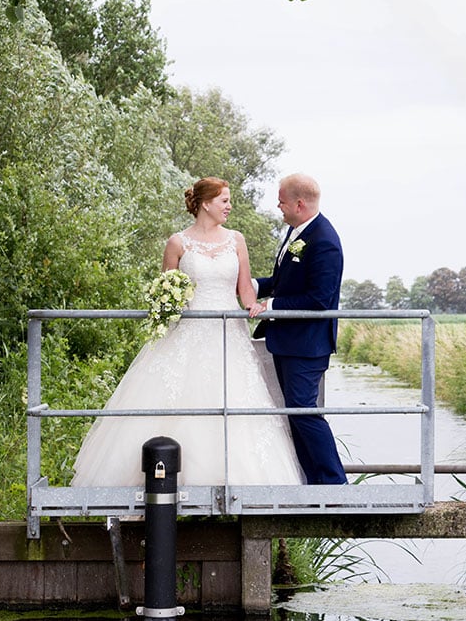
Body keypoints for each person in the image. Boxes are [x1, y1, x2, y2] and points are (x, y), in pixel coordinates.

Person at [71, 177, 302, 487]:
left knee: (232, 402)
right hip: (188, 332)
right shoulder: (177, 243)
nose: (229, 206)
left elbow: (244, 288)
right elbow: (166, 291)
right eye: (224, 201)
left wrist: (255, 306)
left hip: (226, 334)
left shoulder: (236, 240)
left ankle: (236, 484)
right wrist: (167, 301)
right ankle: (160, 483)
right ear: (206, 203)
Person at [250, 173, 348, 485]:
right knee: (296, 413)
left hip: (307, 344)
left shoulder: (324, 242)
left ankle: (335, 484)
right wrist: (249, 286)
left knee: (305, 413)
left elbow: (319, 299)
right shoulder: (298, 231)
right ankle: (314, 483)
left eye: (281, 200)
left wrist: (271, 306)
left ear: (299, 203)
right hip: (288, 341)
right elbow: (281, 282)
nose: (278, 206)